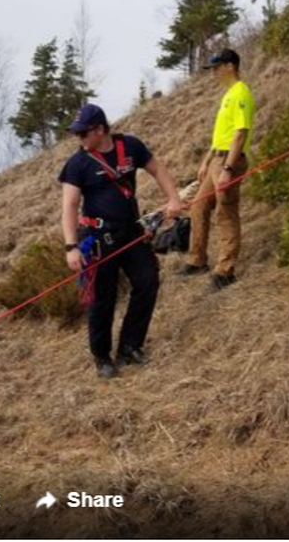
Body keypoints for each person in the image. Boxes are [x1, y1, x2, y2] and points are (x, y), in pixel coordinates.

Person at [59, 104, 183, 379]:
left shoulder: (130, 147)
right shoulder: (77, 164)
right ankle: (102, 356)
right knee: (103, 299)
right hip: (97, 238)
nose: (79, 139)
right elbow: (69, 206)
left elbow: (157, 169)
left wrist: (173, 199)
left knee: (147, 281)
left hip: (132, 233)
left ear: (100, 129)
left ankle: (130, 346)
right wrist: (71, 247)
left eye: (83, 133)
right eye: (76, 134)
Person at [180, 49, 255, 290]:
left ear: (230, 66)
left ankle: (225, 271)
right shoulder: (228, 95)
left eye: (216, 67)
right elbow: (221, 136)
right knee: (199, 206)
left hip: (229, 163)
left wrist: (228, 168)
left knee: (226, 213)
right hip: (217, 160)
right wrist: (206, 160)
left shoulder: (241, 93)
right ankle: (197, 260)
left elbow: (240, 133)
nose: (213, 72)